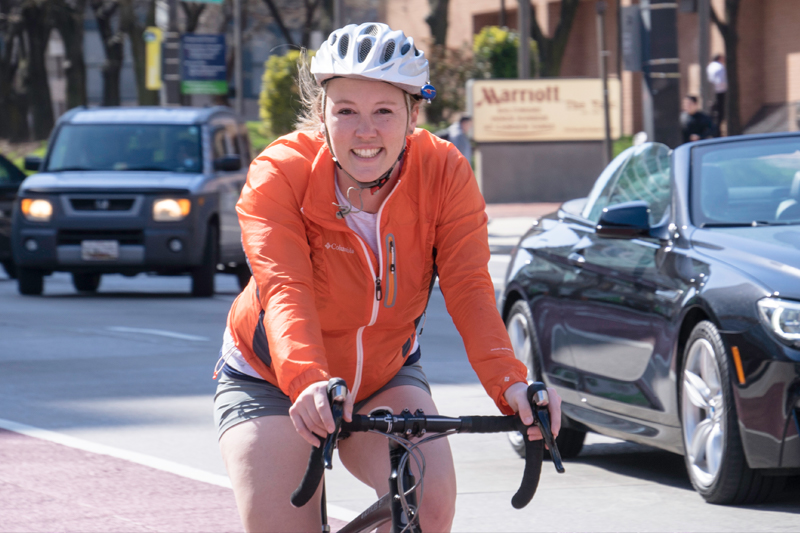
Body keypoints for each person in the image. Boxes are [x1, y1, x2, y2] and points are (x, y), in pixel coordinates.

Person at [212, 22, 562, 533]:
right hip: (272, 379)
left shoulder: (444, 172)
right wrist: (308, 381)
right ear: (322, 115)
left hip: (383, 376)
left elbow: (468, 288)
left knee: (427, 506)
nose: (365, 131)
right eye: (346, 111)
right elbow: (285, 288)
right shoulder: (280, 173)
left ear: (413, 114)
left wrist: (510, 385)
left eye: (384, 111)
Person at [706, 54, 727, 135]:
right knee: (720, 114)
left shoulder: (710, 66)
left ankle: (713, 131)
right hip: (719, 92)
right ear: (719, 58)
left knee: (713, 113)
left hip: (711, 93)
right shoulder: (720, 67)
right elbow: (721, 82)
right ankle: (718, 132)